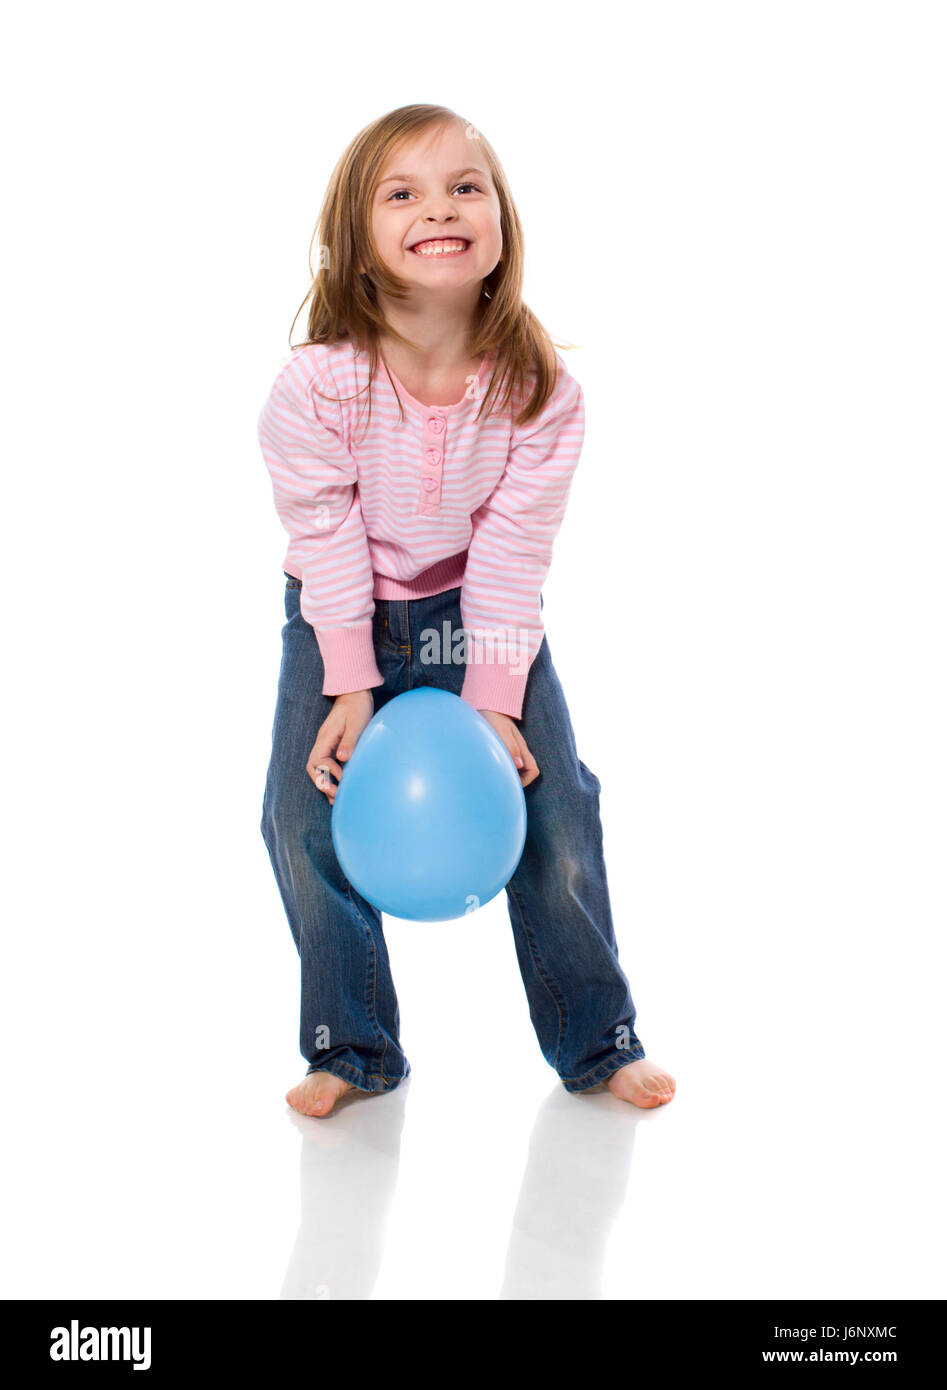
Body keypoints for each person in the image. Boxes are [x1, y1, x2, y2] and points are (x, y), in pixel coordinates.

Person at [258, 104, 676, 1119]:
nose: (437, 206)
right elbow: (326, 541)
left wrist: (493, 696)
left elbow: (511, 553)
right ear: (357, 244)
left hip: (475, 611)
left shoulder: (538, 391)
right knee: (298, 815)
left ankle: (597, 1037)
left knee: (557, 804)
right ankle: (350, 1047)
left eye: (464, 186)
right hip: (340, 611)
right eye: (400, 193)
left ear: (498, 226)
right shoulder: (316, 386)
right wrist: (350, 680)